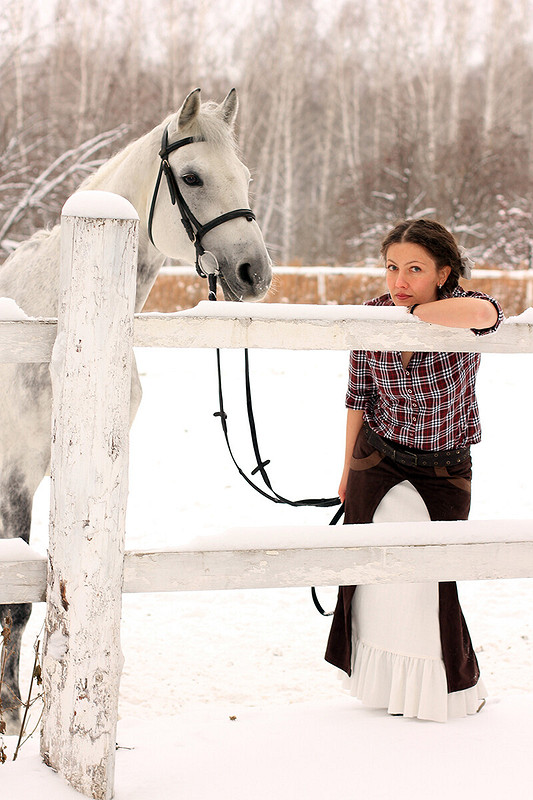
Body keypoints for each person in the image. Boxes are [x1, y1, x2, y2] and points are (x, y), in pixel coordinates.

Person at [325, 218, 504, 722]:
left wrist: (417, 314)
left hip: (442, 468)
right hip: (376, 458)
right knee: (372, 575)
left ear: (443, 271)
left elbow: (489, 312)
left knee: (431, 581)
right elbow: (358, 394)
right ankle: (380, 687)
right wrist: (345, 468)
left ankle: (446, 692)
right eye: (391, 267)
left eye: (415, 269)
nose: (399, 281)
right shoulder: (373, 315)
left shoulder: (462, 311)